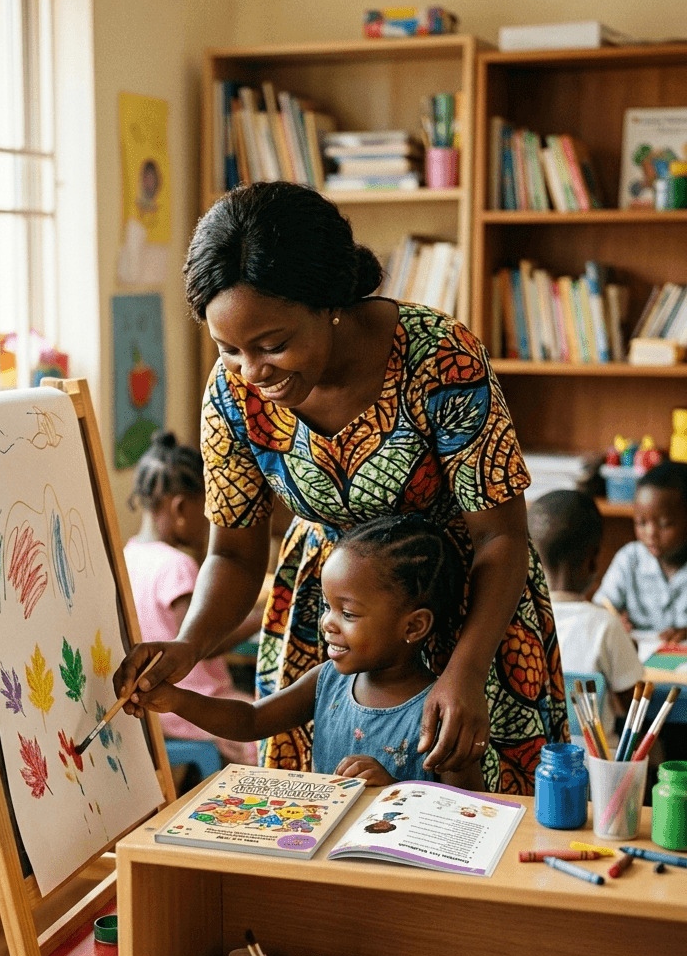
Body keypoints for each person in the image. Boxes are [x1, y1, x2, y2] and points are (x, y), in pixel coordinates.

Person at [115, 181, 567, 794]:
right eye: (230, 350)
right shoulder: (231, 392)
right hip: (330, 625)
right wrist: (189, 645)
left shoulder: (439, 356)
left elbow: (501, 537)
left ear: (331, 301)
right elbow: (234, 555)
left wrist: (465, 670)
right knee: (321, 820)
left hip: (472, 620)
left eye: (273, 345)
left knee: (473, 819)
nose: (253, 372)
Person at [135, 515, 484, 789]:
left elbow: (469, 814)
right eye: (327, 607)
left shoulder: (441, 714)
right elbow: (250, 720)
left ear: (413, 626)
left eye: (348, 614)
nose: (327, 623)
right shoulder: (327, 682)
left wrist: (392, 791)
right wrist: (175, 700)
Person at [123, 431, 259, 767]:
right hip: (191, 705)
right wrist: (268, 614)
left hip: (154, 711)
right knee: (270, 723)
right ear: (182, 507)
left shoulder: (128, 555)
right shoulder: (176, 566)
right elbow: (205, 643)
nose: (210, 521)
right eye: (207, 509)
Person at [528, 489, 643, 740]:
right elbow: (634, 705)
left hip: (537, 756)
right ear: (592, 560)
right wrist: (629, 652)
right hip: (597, 759)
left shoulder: (518, 621)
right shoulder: (605, 625)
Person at [594, 461, 687, 644]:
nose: (650, 533)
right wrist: (611, 619)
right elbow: (601, 606)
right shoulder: (629, 559)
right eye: (641, 523)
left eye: (664, 524)